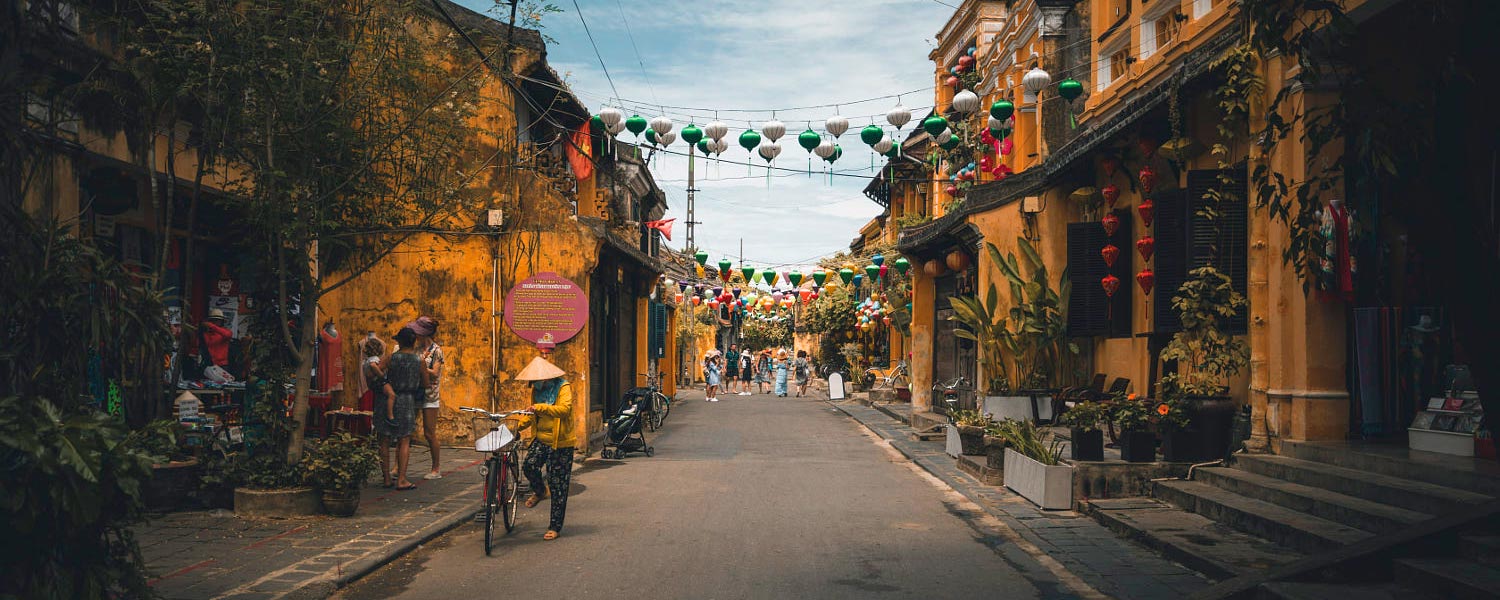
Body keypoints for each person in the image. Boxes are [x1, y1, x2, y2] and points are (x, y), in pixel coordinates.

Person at [514, 356, 576, 541]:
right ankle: (541, 491)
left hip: (561, 443)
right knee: (529, 466)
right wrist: (516, 427)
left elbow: (564, 410)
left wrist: (541, 407)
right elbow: (532, 414)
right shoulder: (537, 391)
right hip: (541, 439)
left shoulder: (563, 388)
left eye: (536, 380)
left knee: (558, 485)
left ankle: (555, 526)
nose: (534, 384)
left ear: (546, 378)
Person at [381, 326, 425, 491]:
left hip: (389, 398)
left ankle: (386, 478)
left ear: (399, 341)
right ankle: (401, 479)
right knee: (404, 439)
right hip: (407, 400)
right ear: (414, 342)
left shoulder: (391, 358)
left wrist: (386, 384)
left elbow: (376, 372)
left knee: (384, 439)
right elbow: (426, 383)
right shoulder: (419, 361)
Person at [362, 335, 400, 487]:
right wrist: (383, 376)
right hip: (381, 391)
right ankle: (391, 475)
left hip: (376, 396)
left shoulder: (366, 361)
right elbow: (374, 370)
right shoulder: (374, 362)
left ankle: (386, 476)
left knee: (382, 440)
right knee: (392, 395)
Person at [410, 316, 444, 480]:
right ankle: (397, 467)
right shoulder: (416, 349)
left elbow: (435, 372)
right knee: (407, 431)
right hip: (415, 392)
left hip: (430, 395)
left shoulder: (436, 350)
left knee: (429, 433)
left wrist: (421, 366)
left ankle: (436, 468)